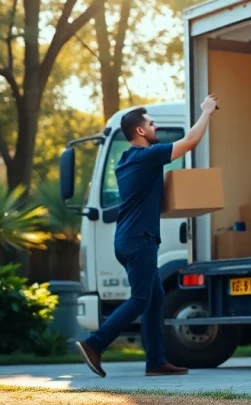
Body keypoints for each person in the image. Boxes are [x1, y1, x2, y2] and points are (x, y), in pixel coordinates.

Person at [76, 95, 219, 378]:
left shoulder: (127, 160)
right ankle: (95, 344)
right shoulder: (146, 156)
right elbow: (190, 141)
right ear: (140, 131)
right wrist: (206, 112)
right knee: (141, 298)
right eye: (152, 125)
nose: (156, 128)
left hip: (128, 239)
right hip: (139, 240)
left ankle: (156, 361)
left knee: (154, 297)